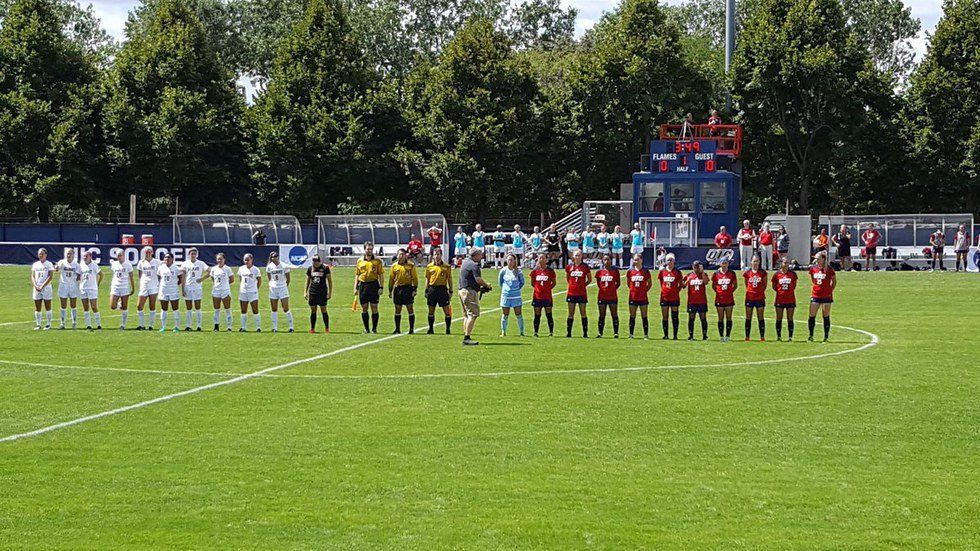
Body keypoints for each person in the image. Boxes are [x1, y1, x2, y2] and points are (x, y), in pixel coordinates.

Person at [458, 248, 491, 345]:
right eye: (480, 255)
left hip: (462, 290)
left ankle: (466, 335)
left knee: (466, 315)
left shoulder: (465, 263)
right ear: (476, 255)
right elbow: (478, 279)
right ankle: (467, 338)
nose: (481, 257)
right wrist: (486, 285)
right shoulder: (474, 265)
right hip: (469, 292)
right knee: (473, 314)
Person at [354, 242, 384, 333]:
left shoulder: (377, 261)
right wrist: (355, 287)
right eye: (368, 249)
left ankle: (374, 329)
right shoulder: (360, 261)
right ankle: (366, 328)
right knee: (364, 307)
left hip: (374, 285)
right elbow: (357, 275)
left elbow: (381, 275)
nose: (369, 250)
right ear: (364, 249)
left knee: (374, 307)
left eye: (371, 249)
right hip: (363, 285)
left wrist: (381, 287)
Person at [388, 249, 418, 334]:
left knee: (410, 309)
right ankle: (397, 329)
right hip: (398, 289)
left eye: (402, 254)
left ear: (405, 255)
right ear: (397, 256)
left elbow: (414, 278)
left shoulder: (411, 265)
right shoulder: (394, 266)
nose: (401, 256)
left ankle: (411, 329)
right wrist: (390, 290)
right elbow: (391, 279)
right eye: (399, 254)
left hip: (408, 289)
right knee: (397, 309)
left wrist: (415, 289)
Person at [424, 247, 453, 334]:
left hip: (442, 289)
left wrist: (451, 290)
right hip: (432, 289)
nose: (436, 256)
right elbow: (427, 279)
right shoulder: (429, 267)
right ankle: (431, 328)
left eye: (438, 254)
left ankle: (448, 329)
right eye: (435, 254)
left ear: (441, 255)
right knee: (431, 310)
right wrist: (426, 290)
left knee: (446, 311)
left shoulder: (446, 266)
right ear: (432, 256)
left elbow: (449, 279)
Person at [202, 252, 234, 332]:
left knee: (227, 309)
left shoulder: (228, 269)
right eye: (218, 259)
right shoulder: (213, 269)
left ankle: (229, 327)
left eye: (221, 259)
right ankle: (216, 326)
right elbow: (213, 279)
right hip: (216, 291)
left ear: (224, 259)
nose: (219, 260)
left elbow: (232, 280)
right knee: (216, 310)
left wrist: (225, 285)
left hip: (225, 291)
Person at [809, 251, 836, 342]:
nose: (816, 260)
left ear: (823, 259)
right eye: (815, 258)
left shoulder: (829, 269)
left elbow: (834, 281)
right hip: (816, 294)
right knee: (812, 315)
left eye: (818, 258)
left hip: (826, 296)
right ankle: (811, 335)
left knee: (825, 316)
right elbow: (813, 280)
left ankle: (826, 336)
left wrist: (829, 290)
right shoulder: (813, 269)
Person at [565, 250, 592, 337]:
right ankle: (569, 333)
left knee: (583, 313)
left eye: (579, 255)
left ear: (581, 256)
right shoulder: (569, 267)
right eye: (576, 255)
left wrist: (583, 286)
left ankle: (585, 333)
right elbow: (568, 278)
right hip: (571, 293)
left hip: (582, 293)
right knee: (570, 313)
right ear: (573, 257)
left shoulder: (585, 267)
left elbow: (589, 279)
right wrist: (573, 285)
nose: (577, 257)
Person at [180, 247, 208, 331]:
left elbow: (210, 272)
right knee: (188, 307)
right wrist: (183, 288)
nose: (193, 255)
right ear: (188, 255)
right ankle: (188, 326)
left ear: (197, 255)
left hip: (197, 288)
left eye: (194, 254)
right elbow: (183, 277)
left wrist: (202, 279)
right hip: (188, 287)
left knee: (198, 306)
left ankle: (199, 326)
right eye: (191, 254)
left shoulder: (201, 263)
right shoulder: (185, 264)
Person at [498, 253, 526, 336]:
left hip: (516, 296)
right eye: (508, 260)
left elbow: (522, 282)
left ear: (515, 261)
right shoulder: (503, 271)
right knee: (505, 314)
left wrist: (516, 289)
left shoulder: (518, 271)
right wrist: (505, 290)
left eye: (511, 260)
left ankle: (521, 332)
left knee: (519, 314)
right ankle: (503, 332)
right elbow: (500, 282)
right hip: (506, 296)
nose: (510, 261)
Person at [266, 251, 294, 333]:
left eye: (275, 256)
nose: (273, 258)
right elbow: (269, 277)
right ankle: (274, 327)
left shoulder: (284, 266)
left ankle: (291, 327)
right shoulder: (269, 267)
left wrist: (284, 286)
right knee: (274, 309)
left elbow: (288, 279)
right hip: (273, 289)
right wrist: (273, 284)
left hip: (282, 288)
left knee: (285, 308)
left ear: (278, 257)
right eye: (272, 257)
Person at [529, 254, 557, 337]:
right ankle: (536, 332)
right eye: (539, 258)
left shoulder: (550, 271)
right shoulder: (535, 271)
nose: (541, 259)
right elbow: (532, 283)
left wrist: (547, 289)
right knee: (537, 315)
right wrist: (538, 289)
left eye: (543, 258)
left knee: (549, 314)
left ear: (546, 260)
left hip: (547, 297)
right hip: (537, 297)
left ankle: (551, 332)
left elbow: (554, 283)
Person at [626, 254, 652, 339]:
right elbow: (628, 283)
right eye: (635, 260)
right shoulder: (630, 271)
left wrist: (643, 291)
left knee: (644, 316)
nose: (636, 261)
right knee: (632, 316)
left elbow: (649, 284)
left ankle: (645, 335)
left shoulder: (645, 271)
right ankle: (631, 334)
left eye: (637, 260)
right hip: (633, 297)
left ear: (641, 260)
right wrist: (633, 290)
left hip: (643, 297)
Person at [772, 256, 798, 341]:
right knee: (779, 318)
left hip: (790, 299)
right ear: (781, 264)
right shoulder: (777, 274)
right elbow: (774, 286)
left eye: (787, 263)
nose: (786, 264)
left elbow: (794, 285)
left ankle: (790, 337)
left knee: (790, 318)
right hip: (780, 299)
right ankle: (778, 336)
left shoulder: (793, 274)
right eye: (785, 263)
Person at [595, 253, 621, 338]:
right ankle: (600, 333)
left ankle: (616, 333)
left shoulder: (615, 271)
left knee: (614, 314)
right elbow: (599, 284)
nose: (606, 261)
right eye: (605, 259)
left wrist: (612, 289)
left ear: (611, 260)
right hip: (602, 296)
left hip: (612, 296)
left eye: (608, 259)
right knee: (602, 315)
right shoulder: (599, 272)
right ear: (602, 261)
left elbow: (618, 283)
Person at [155, 253, 182, 332]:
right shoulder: (160, 268)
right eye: (165, 258)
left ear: (172, 259)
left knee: (175, 308)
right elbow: (159, 278)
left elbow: (180, 279)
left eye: (169, 257)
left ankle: (177, 327)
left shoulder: (176, 268)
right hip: (163, 290)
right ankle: (163, 327)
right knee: (164, 309)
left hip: (173, 290)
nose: (167, 259)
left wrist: (174, 285)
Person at [658, 253, 683, 339]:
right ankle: (666, 335)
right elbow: (661, 283)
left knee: (675, 316)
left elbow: (681, 284)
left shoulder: (677, 272)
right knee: (665, 316)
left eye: (671, 260)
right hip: (664, 297)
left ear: (674, 261)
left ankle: (675, 335)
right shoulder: (662, 272)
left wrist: (676, 291)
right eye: (668, 260)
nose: (670, 261)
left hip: (674, 297)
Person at [54, 248, 81, 329]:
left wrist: (77, 280)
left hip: (73, 286)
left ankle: (74, 323)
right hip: (63, 285)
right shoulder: (62, 262)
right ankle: (62, 323)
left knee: (73, 305)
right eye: (67, 253)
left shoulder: (76, 264)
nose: (68, 255)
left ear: (73, 254)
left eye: (70, 253)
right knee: (63, 305)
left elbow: (79, 274)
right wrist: (56, 267)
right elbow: (57, 268)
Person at [682, 260, 709, 340]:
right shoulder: (689, 275)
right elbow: (683, 286)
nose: (696, 268)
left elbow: (706, 282)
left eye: (697, 267)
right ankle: (691, 336)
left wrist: (703, 272)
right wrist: (687, 280)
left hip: (702, 301)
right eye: (695, 266)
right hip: (692, 301)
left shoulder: (703, 274)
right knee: (691, 318)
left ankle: (704, 335)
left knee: (703, 318)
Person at [743, 255, 768, 341]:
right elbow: (746, 284)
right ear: (751, 262)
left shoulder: (763, 272)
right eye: (754, 261)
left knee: (760, 317)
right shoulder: (747, 273)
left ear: (759, 262)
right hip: (749, 297)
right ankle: (747, 336)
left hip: (760, 298)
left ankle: (762, 336)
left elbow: (765, 284)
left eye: (757, 261)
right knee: (748, 317)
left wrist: (759, 291)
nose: (755, 263)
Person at [712, 258, 737, 341]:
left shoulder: (732, 273)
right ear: (720, 264)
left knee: (729, 318)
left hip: (729, 299)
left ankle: (728, 336)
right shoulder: (716, 274)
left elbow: (735, 285)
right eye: (723, 263)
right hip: (719, 299)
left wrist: (729, 292)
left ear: (728, 264)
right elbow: (713, 286)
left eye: (725, 263)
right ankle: (721, 336)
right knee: (720, 318)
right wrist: (719, 292)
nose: (724, 265)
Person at [108, 250, 135, 330]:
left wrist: (133, 288)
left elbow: (131, 277)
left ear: (124, 255)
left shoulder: (128, 265)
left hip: (125, 287)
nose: (119, 257)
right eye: (118, 255)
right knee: (112, 306)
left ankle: (123, 324)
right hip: (115, 287)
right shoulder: (114, 264)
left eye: (120, 255)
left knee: (125, 307)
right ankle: (119, 305)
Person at [136, 246, 161, 330]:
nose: (148, 253)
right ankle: (141, 325)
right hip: (144, 286)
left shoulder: (157, 262)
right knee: (139, 305)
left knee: (152, 305)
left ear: (152, 252)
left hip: (154, 285)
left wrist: (159, 284)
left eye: (149, 252)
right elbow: (140, 274)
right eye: (146, 252)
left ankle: (151, 325)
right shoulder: (141, 262)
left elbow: (160, 274)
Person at [305, 255, 332, 333]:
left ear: (319, 261)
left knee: (323, 309)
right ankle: (312, 328)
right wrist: (305, 292)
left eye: (316, 261)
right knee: (313, 310)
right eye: (313, 261)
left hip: (322, 292)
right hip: (313, 292)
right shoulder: (310, 268)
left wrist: (330, 293)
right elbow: (308, 281)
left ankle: (327, 328)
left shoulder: (325, 268)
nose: (315, 262)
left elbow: (330, 281)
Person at [31, 248, 55, 330]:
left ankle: (48, 324)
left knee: (47, 305)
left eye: (42, 254)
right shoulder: (35, 264)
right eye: (39, 254)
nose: (40, 255)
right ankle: (38, 324)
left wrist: (42, 286)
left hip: (46, 287)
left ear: (46, 255)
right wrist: (35, 285)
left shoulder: (49, 264)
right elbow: (33, 276)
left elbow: (50, 276)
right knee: (37, 306)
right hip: (37, 287)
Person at [237, 253, 262, 332]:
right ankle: (243, 327)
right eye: (245, 260)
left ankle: (258, 327)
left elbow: (259, 281)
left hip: (252, 292)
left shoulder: (256, 269)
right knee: (243, 310)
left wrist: (255, 289)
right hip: (243, 292)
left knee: (255, 310)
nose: (246, 261)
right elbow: (240, 279)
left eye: (248, 260)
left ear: (251, 260)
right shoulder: (241, 269)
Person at [78, 251, 102, 330]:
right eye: (84, 256)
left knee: (94, 307)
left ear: (90, 257)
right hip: (83, 288)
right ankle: (88, 325)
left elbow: (101, 274)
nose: (84, 258)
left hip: (92, 289)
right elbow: (78, 275)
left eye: (86, 256)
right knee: (85, 308)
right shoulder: (81, 265)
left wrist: (97, 284)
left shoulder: (94, 265)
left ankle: (98, 324)